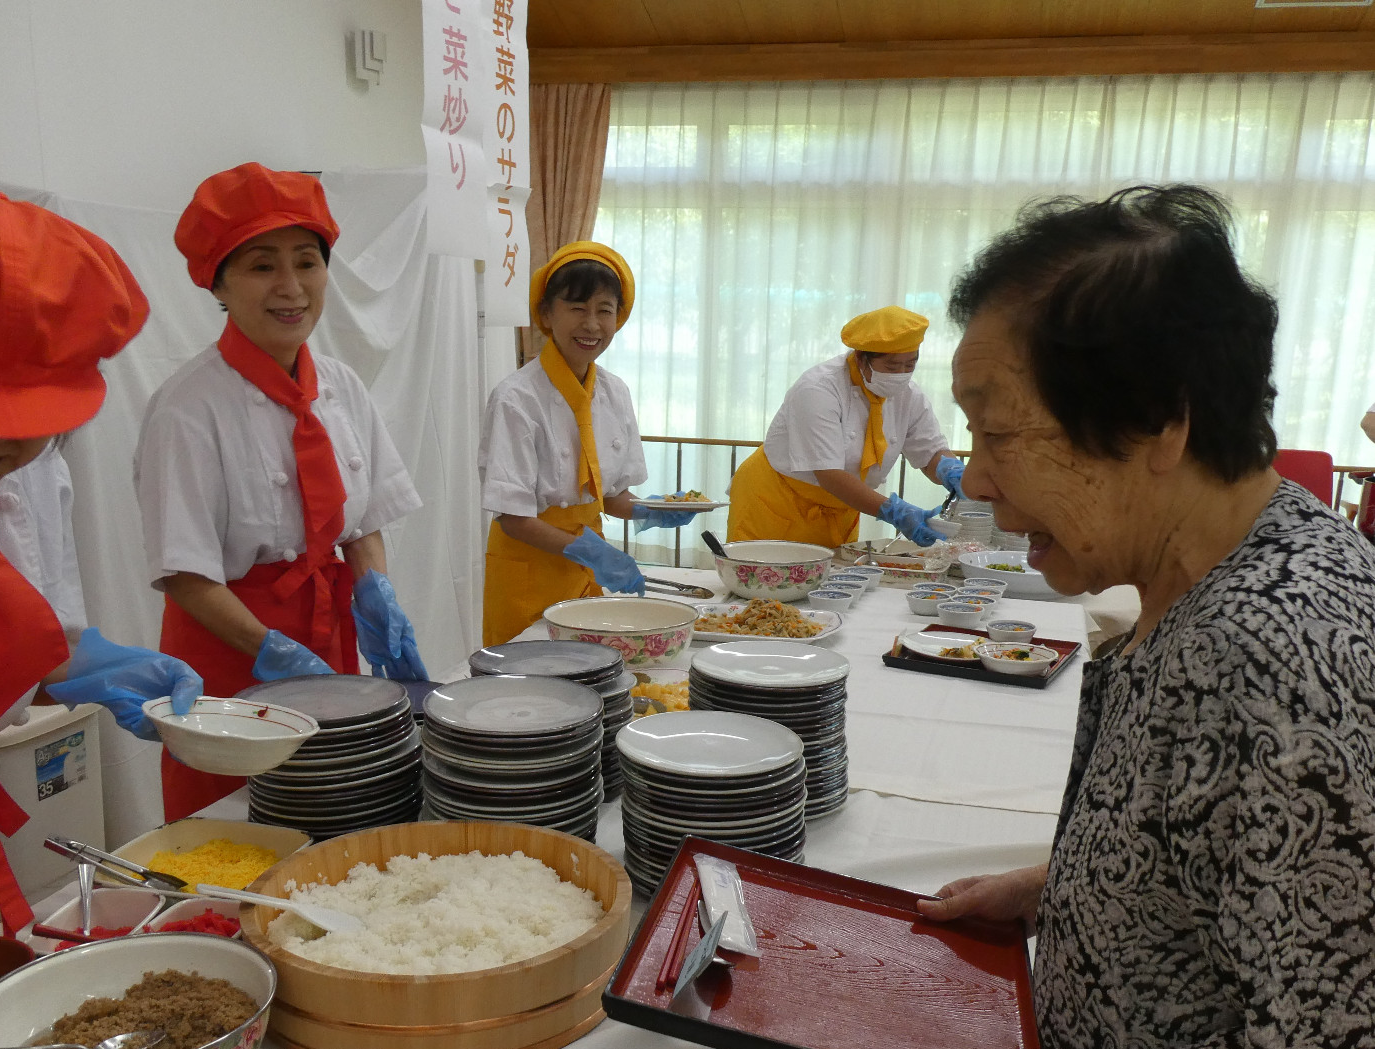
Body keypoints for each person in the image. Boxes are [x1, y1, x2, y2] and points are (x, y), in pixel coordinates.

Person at [886, 185, 1375, 1049]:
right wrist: (1071, 881)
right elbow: (1258, 864)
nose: (980, 482)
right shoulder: (1212, 575)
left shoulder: (1282, 658)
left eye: (1002, 432)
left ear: (1157, 421)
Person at [134, 163, 427, 819]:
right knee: (236, 829)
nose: (292, 287)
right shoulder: (187, 408)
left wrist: (375, 589)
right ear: (220, 282)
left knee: (336, 812)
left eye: (307, 262)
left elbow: (364, 518)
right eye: (263, 266)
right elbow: (184, 572)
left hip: (330, 640)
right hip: (231, 660)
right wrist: (268, 645)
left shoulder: (344, 389)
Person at [0, 193, 201, 936]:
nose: (16, 449)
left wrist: (80, 658)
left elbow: (39, 620)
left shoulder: (34, 461)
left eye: (36, 424)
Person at [478, 241, 695, 647]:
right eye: (577, 308)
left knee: (588, 674)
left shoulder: (615, 392)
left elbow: (610, 497)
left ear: (619, 318)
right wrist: (592, 552)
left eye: (604, 310)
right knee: (529, 686)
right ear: (546, 314)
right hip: (529, 569)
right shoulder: (516, 397)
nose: (591, 324)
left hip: (583, 570)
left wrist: (654, 508)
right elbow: (513, 517)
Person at [726, 306, 963, 547]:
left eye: (910, 365)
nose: (901, 375)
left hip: (842, 505)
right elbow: (829, 475)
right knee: (766, 577)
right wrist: (894, 510)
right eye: (892, 367)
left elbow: (930, 452)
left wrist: (950, 470)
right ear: (860, 358)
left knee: (834, 580)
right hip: (776, 500)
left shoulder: (909, 395)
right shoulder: (818, 389)